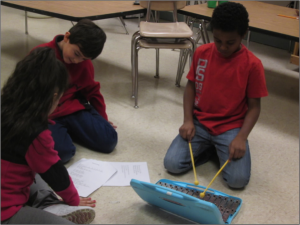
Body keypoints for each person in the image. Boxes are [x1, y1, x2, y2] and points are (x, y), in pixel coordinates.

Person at [164, 2, 268, 189]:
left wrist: (241, 137)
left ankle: (216, 149)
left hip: (231, 127)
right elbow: (190, 88)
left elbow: (254, 107)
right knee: (172, 164)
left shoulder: (253, 65)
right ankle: (210, 151)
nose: (222, 47)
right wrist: (188, 120)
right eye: (218, 40)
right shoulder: (202, 52)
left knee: (237, 181)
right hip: (200, 123)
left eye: (230, 42)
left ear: (243, 35)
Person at [1, 47, 96, 224]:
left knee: (32, 170)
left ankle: (48, 205)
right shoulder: (34, 132)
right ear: (53, 97)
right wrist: (73, 200)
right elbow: (56, 174)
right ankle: (49, 206)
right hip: (5, 212)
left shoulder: (5, 107)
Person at [33, 19, 118, 163]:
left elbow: (93, 91)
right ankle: (65, 132)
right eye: (77, 53)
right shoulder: (40, 55)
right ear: (67, 37)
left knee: (109, 140)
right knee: (62, 154)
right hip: (46, 115)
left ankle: (69, 129)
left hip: (73, 109)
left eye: (84, 58)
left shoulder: (84, 63)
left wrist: (103, 119)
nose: (77, 61)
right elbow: (22, 91)